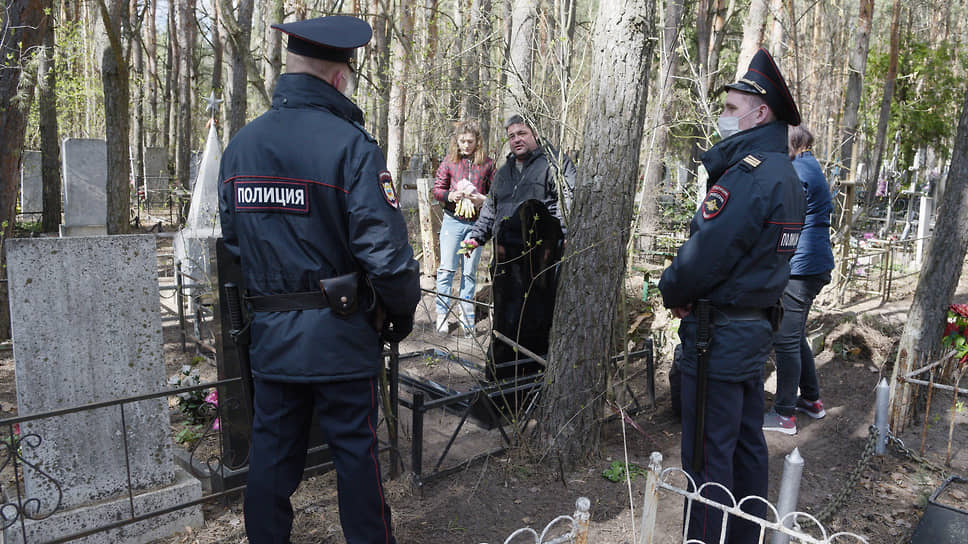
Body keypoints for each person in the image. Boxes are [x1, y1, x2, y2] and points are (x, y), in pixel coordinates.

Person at [217, 15, 420, 544]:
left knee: (270, 458)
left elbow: (234, 246)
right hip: (342, 335)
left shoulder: (241, 147)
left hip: (273, 338)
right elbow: (388, 257)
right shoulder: (352, 148)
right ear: (337, 78)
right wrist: (399, 313)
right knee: (356, 456)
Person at [657, 48, 806, 544]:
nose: (723, 116)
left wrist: (673, 288)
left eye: (730, 107)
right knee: (746, 448)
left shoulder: (750, 174)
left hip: (718, 339)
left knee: (708, 459)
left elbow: (707, 253)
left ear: (760, 113)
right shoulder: (786, 173)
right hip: (750, 331)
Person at [463, 115, 576, 379]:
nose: (516, 140)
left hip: (540, 264)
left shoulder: (555, 164)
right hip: (505, 263)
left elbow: (568, 201)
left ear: (535, 134)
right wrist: (476, 237)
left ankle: (531, 381)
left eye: (522, 133)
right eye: (511, 136)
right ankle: (502, 380)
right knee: (505, 321)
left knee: (535, 321)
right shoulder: (503, 173)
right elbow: (490, 208)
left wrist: (569, 235)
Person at [763, 124, 835, 434]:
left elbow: (782, 212)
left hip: (802, 267)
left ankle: (784, 415)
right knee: (795, 335)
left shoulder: (799, 171)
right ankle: (811, 400)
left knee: (785, 340)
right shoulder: (808, 164)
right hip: (810, 263)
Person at [432, 120, 495, 337]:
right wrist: (450, 195)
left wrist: (482, 199)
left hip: (477, 225)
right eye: (462, 141)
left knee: (469, 273)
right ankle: (442, 315)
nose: (466, 145)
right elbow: (437, 189)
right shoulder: (450, 162)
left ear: (478, 142)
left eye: (470, 141)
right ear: (456, 142)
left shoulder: (487, 164)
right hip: (453, 221)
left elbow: (495, 196)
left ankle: (467, 317)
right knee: (447, 270)